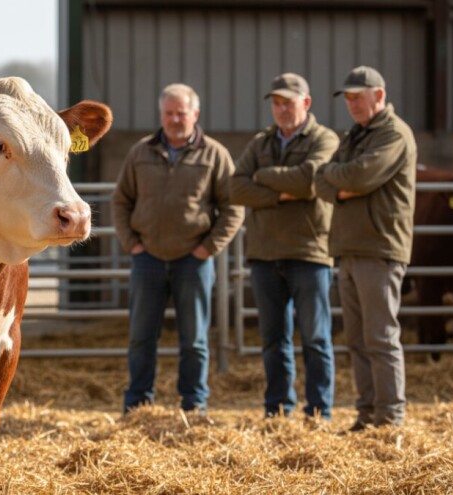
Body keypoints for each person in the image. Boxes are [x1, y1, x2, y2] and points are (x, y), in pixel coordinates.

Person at [112, 83, 244, 414]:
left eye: (181, 113)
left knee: (195, 340)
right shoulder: (140, 152)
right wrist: (132, 244)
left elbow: (234, 206)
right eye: (168, 113)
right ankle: (138, 403)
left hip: (193, 259)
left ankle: (193, 404)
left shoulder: (214, 154)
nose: (174, 119)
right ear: (161, 114)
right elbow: (120, 201)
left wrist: (208, 248)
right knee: (141, 337)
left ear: (195, 114)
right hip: (148, 259)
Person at [230, 73, 339, 420]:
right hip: (264, 254)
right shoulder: (260, 142)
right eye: (276, 103)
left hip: (310, 251)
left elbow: (311, 179)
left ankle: (319, 412)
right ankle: (277, 410)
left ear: (306, 103)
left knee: (315, 338)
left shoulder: (325, 138)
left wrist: (262, 178)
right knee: (273, 339)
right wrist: (281, 191)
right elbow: (235, 188)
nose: (281, 110)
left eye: (287, 103)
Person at [314, 65, 417, 430]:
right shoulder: (356, 135)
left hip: (379, 247)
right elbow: (320, 181)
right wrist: (340, 182)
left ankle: (389, 418)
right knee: (357, 339)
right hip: (351, 247)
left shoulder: (393, 134)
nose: (352, 104)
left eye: (359, 97)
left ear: (380, 95)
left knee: (381, 337)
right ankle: (366, 415)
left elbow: (359, 176)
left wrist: (341, 180)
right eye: (348, 98)